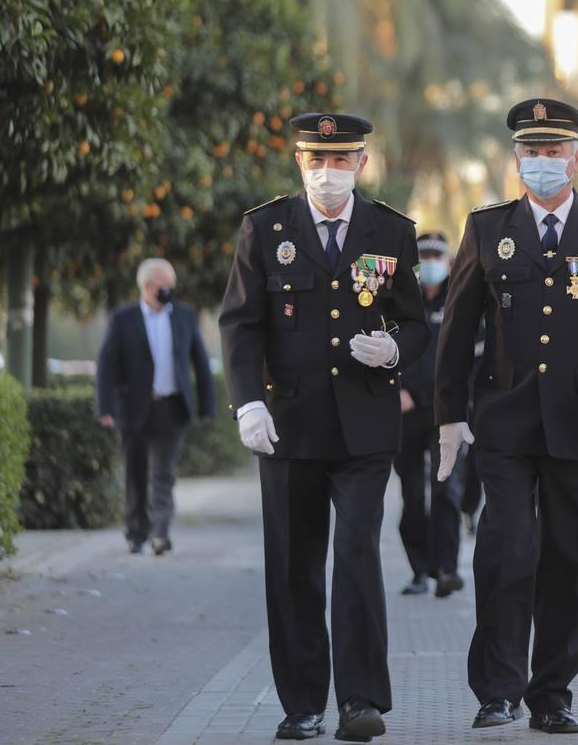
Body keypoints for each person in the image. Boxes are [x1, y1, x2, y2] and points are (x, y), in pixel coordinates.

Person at [433, 98, 578, 734]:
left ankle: (552, 691)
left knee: (571, 559)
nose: (542, 162)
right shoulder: (487, 228)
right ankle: (498, 689)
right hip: (504, 421)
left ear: (577, 158)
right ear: (515, 159)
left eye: (553, 150)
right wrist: (449, 415)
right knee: (507, 550)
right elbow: (456, 328)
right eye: (531, 152)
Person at [218, 112, 429, 743]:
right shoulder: (265, 228)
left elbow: (417, 323)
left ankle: (359, 700)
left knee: (357, 553)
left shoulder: (390, 231)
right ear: (299, 163)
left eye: (341, 161)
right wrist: (246, 402)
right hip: (289, 425)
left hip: (365, 428)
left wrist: (392, 350)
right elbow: (240, 323)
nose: (329, 174)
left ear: (362, 163)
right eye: (317, 161)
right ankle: (303, 702)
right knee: (293, 564)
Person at [96, 257, 215, 556]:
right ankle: (136, 532)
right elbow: (106, 365)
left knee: (163, 474)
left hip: (171, 408)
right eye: (165, 285)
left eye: (172, 285)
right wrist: (105, 407)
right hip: (133, 409)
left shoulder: (185, 316)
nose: (170, 289)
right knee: (135, 475)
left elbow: (200, 362)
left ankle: (160, 533)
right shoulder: (123, 319)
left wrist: (208, 405)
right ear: (147, 286)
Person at [394, 231, 466, 599]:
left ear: (449, 262)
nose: (432, 264)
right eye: (425, 258)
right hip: (406, 412)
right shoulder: (402, 298)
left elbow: (471, 353)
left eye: (438, 257)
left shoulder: (460, 297)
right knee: (411, 495)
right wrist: (397, 390)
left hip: (445, 413)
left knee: (446, 491)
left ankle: (447, 568)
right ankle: (419, 569)